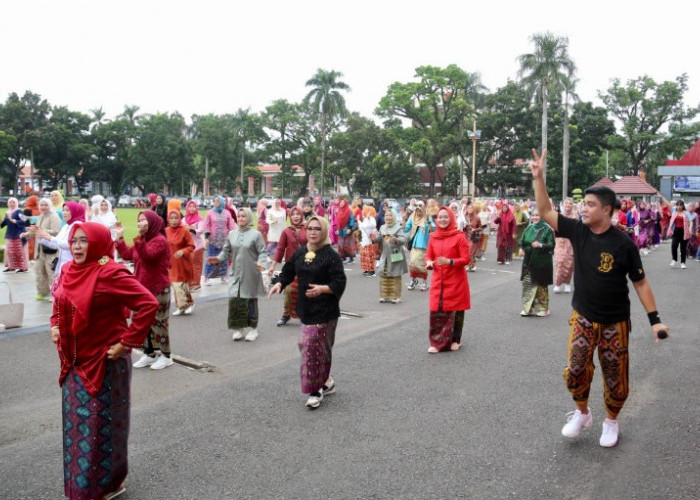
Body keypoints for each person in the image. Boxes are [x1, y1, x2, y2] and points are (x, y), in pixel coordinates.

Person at [530, 148, 669, 448]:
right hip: (583, 316)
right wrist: (539, 179)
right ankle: (582, 413)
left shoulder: (624, 244)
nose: (583, 208)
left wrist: (655, 321)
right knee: (575, 370)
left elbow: (641, 283)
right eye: (583, 203)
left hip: (615, 322)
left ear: (607, 210)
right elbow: (544, 212)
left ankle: (611, 421)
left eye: (590, 205)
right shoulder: (577, 230)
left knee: (615, 377)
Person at [51, 222, 158, 500]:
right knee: (77, 427)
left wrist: (127, 343)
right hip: (75, 362)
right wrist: (55, 324)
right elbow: (58, 300)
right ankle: (81, 487)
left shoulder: (109, 272)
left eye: (84, 241)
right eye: (74, 240)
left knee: (102, 427)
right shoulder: (67, 270)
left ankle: (106, 486)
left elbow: (148, 304)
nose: (76, 246)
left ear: (97, 243)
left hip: (105, 364)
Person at [267, 215, 347, 409]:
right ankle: (326, 381)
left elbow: (339, 282)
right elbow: (288, 270)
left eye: (317, 229)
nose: (312, 232)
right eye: (310, 228)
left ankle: (315, 389)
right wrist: (280, 283)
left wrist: (323, 289)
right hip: (306, 310)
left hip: (326, 311)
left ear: (324, 231)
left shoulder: (331, 256)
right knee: (309, 346)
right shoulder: (301, 252)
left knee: (313, 348)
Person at [115, 210, 174, 370]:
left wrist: (140, 239)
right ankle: (149, 354)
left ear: (153, 222)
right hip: (142, 289)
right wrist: (120, 237)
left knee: (159, 323)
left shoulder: (160, 240)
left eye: (144, 220)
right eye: (139, 220)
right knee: (143, 323)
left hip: (158, 289)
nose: (140, 223)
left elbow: (148, 255)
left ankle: (166, 355)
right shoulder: (143, 240)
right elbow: (128, 254)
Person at [207, 208, 267, 342]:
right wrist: (217, 259)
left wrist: (261, 263)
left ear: (249, 218)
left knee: (250, 300)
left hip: (251, 273)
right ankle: (238, 328)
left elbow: (263, 252)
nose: (240, 219)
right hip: (235, 273)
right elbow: (226, 251)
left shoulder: (256, 235)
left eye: (243, 216)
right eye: (239, 216)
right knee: (235, 299)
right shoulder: (232, 234)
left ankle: (253, 329)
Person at [425, 207, 471, 353]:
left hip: (456, 280)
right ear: (436, 219)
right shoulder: (433, 236)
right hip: (439, 279)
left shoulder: (459, 236)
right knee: (437, 310)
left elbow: (466, 259)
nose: (443, 220)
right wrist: (429, 263)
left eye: (446, 217)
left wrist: (450, 262)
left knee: (455, 310)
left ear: (451, 218)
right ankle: (437, 342)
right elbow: (429, 256)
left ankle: (455, 340)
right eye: (440, 217)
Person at [33, 202, 87, 292]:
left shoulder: (78, 226)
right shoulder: (66, 226)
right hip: (63, 265)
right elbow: (55, 245)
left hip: (73, 264)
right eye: (63, 210)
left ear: (75, 211)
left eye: (67, 210)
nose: (64, 213)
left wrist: (49, 237)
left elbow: (70, 244)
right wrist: (41, 236)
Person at [268, 206, 307, 327]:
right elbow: (280, 249)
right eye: (293, 214)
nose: (295, 216)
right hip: (291, 267)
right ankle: (286, 314)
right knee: (289, 290)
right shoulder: (286, 231)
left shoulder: (307, 229)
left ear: (301, 215)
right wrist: (273, 265)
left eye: (298, 214)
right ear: (290, 216)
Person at [22, 198, 61, 300]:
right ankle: (42, 293)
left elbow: (56, 231)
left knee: (51, 272)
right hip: (39, 250)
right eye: (42, 205)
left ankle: (55, 295)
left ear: (49, 206)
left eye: (45, 205)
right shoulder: (41, 216)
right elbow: (35, 230)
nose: (43, 207)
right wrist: (26, 234)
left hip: (50, 249)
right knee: (39, 271)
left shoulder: (54, 216)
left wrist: (41, 231)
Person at [519, 209, 555, 317]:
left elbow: (551, 245)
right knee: (527, 284)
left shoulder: (547, 229)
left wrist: (540, 245)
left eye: (537, 215)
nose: (535, 217)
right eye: (533, 215)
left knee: (540, 286)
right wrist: (521, 248)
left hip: (541, 263)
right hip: (528, 261)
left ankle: (543, 308)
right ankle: (527, 308)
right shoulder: (529, 227)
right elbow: (522, 241)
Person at [374, 209, 407, 303]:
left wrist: (397, 240)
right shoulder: (382, 227)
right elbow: (379, 239)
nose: (388, 217)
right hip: (385, 255)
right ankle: (384, 296)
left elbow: (403, 240)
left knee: (395, 275)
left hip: (396, 254)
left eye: (390, 215)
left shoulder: (398, 228)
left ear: (394, 217)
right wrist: (374, 238)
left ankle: (396, 297)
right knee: (384, 275)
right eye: (386, 215)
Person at [166, 210, 195, 316]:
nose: (173, 221)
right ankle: (181, 306)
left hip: (183, 262)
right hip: (171, 262)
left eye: (176, 218)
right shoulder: (165, 231)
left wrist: (183, 251)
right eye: (171, 218)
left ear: (179, 219)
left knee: (183, 285)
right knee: (176, 284)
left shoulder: (184, 231)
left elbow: (191, 246)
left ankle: (188, 304)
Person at [202, 195, 236, 285]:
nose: (215, 202)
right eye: (215, 201)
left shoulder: (227, 213)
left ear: (221, 202)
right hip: (213, 240)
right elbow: (207, 225)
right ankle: (207, 277)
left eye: (217, 201)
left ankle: (223, 276)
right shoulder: (210, 213)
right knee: (211, 258)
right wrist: (206, 238)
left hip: (224, 240)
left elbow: (231, 226)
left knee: (224, 259)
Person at [404, 201, 434, 291]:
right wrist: (404, 220)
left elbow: (432, 231)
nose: (418, 212)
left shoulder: (427, 218)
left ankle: (424, 282)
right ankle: (413, 280)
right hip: (415, 245)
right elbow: (406, 229)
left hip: (424, 246)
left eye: (420, 210)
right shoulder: (412, 217)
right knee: (412, 263)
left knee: (422, 265)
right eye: (417, 210)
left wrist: (428, 221)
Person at [553, 198, 579, 293]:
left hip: (571, 242)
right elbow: (553, 228)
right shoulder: (558, 216)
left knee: (569, 263)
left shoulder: (575, 216)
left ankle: (567, 283)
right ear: (563, 205)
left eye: (570, 204)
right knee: (559, 261)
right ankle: (558, 283)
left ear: (572, 205)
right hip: (560, 241)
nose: (568, 205)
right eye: (566, 203)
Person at [2, 197, 28, 273]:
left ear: (16, 203)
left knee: (19, 251)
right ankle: (11, 267)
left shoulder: (19, 211)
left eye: (13, 202)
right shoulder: (7, 212)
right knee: (9, 251)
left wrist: (13, 220)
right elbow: (4, 223)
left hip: (19, 235)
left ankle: (23, 267)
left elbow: (24, 222)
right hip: (9, 234)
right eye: (10, 202)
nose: (11, 204)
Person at [184, 200, 205, 291]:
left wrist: (191, 229)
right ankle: (190, 283)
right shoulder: (184, 219)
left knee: (196, 265)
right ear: (187, 208)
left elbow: (200, 231)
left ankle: (196, 284)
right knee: (188, 265)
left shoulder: (199, 219)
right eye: (190, 206)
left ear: (196, 208)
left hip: (198, 246)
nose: (192, 208)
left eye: (194, 207)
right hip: (188, 246)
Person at [667, 199, 691, 269]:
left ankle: (683, 262)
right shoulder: (674, 211)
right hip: (676, 230)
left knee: (683, 248)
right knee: (674, 246)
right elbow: (668, 204)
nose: (679, 207)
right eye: (678, 205)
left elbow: (690, 220)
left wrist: (690, 227)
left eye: (681, 205)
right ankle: (674, 259)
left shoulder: (686, 213)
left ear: (683, 206)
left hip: (684, 231)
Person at [335, 198, 357, 264]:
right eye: (340, 202)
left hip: (347, 229)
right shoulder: (339, 211)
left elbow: (352, 220)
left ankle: (351, 259)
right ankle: (343, 258)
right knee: (341, 245)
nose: (341, 203)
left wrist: (350, 228)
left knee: (348, 245)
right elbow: (338, 221)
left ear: (345, 203)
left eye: (343, 202)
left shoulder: (349, 211)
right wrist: (337, 229)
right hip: (340, 230)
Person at [359, 205, 378, 277]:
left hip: (370, 240)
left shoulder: (371, 219)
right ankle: (367, 269)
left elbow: (373, 225)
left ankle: (372, 271)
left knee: (370, 255)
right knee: (365, 255)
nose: (363, 212)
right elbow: (362, 227)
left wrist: (369, 218)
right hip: (365, 240)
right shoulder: (365, 219)